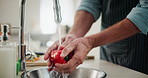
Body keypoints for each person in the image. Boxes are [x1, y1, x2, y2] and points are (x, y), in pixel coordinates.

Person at [44, 0, 148, 74]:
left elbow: (145, 12)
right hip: (108, 56)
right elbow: (89, 4)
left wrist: (90, 42)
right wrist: (73, 36)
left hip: (141, 58)